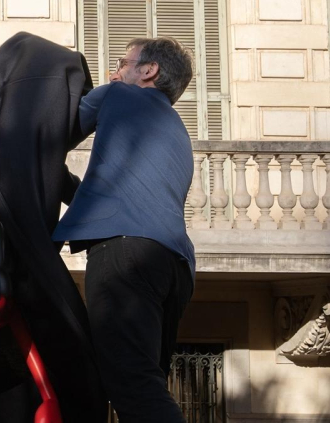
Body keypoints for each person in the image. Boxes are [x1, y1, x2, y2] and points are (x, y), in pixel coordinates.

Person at [52, 37, 197, 421]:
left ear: (149, 70)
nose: (114, 72)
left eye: (122, 62)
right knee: (143, 383)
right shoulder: (175, 128)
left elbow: (51, 129)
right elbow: (112, 196)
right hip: (175, 266)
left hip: (126, 254)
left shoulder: (118, 94)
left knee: (132, 383)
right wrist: (60, 180)